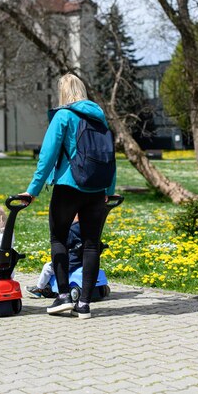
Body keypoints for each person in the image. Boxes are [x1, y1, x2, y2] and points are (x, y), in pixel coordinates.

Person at [19, 73, 116, 320]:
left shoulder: (63, 116)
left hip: (68, 187)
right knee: (91, 244)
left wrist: (33, 189)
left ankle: (63, 296)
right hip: (96, 190)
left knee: (59, 238)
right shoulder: (100, 120)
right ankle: (84, 303)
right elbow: (110, 158)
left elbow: (47, 157)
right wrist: (108, 189)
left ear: (63, 93)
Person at [26, 214, 82, 298]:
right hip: (82, 261)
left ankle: (39, 288)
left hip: (71, 261)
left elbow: (65, 244)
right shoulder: (88, 227)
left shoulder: (71, 229)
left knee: (47, 267)